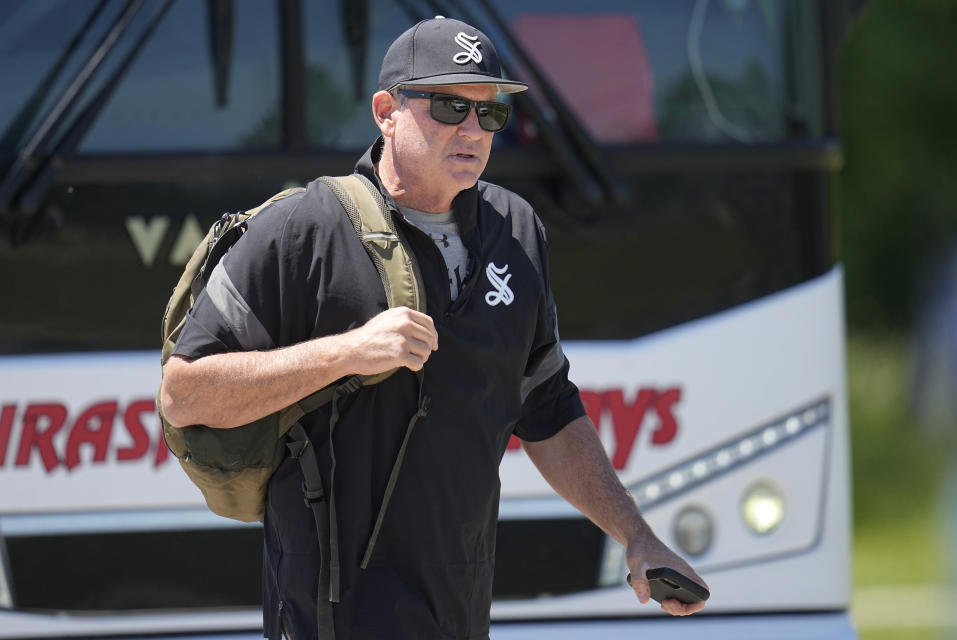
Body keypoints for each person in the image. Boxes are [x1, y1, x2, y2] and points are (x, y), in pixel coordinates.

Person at [160, 16, 707, 639]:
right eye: (449, 106)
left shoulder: (517, 231)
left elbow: (548, 408)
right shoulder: (302, 229)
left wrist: (637, 537)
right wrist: (345, 353)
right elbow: (185, 394)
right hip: (326, 620)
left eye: (490, 113)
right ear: (386, 110)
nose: (473, 130)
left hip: (458, 617)